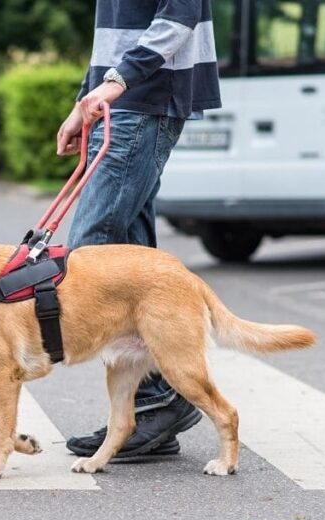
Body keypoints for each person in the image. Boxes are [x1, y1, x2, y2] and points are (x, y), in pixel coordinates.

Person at [56, 0, 222, 459]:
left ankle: (159, 402)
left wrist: (114, 84)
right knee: (131, 254)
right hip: (124, 102)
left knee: (90, 256)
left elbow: (177, 17)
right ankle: (155, 406)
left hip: (141, 101)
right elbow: (113, 39)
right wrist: (84, 102)